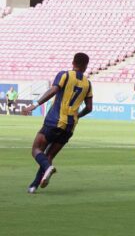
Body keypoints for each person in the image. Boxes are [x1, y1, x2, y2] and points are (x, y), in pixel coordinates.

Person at [22, 53, 93, 194]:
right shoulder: (88, 83)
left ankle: (47, 168)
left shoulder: (64, 75)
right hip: (70, 126)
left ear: (73, 62)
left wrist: (35, 105)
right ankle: (34, 186)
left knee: (36, 149)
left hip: (54, 121)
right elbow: (90, 108)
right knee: (49, 156)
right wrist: (77, 115)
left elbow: (54, 90)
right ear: (86, 66)